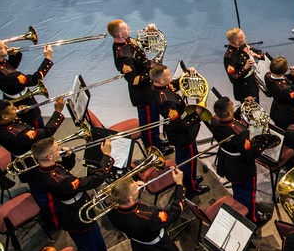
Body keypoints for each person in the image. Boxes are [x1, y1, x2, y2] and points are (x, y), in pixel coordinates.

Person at [30, 137, 126, 251]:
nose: (60, 149)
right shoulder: (60, 181)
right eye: (57, 149)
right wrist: (106, 156)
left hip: (69, 206)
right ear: (49, 157)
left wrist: (69, 157)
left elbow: (65, 170)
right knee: (94, 244)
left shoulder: (44, 168)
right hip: (76, 213)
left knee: (88, 244)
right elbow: (95, 180)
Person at [0, 96, 66, 221]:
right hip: (32, 165)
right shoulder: (19, 135)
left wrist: (21, 112)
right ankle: (54, 221)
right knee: (45, 195)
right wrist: (58, 112)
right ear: (5, 117)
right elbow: (47, 131)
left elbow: (15, 124)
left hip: (21, 158)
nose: (16, 109)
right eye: (13, 109)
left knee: (37, 190)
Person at [209, 96, 279, 223]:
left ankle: (238, 205)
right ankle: (252, 218)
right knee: (248, 192)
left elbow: (231, 120)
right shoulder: (240, 132)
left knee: (237, 188)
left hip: (226, 161)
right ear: (230, 112)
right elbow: (249, 155)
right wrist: (264, 142)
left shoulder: (214, 120)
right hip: (241, 167)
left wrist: (242, 107)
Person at [148, 64, 208, 197]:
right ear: (162, 80)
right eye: (168, 75)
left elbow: (174, 84)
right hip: (183, 135)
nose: (171, 76)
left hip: (178, 134)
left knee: (185, 159)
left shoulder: (159, 86)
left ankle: (190, 179)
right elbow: (179, 125)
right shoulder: (165, 101)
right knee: (188, 161)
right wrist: (197, 113)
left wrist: (188, 75)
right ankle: (191, 187)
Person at [108, 20, 164, 150]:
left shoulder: (128, 41)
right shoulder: (122, 56)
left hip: (148, 89)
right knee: (149, 125)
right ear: (120, 34)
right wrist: (151, 71)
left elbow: (143, 46)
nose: (129, 27)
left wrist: (151, 33)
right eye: (125, 28)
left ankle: (157, 142)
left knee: (154, 121)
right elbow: (133, 79)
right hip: (143, 94)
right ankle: (153, 150)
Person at [0, 37, 53, 128]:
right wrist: (48, 59)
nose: (7, 48)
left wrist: (13, 55)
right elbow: (35, 79)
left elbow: (9, 67)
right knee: (36, 122)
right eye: (4, 47)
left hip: (9, 95)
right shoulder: (9, 75)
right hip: (22, 100)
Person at [265, 57, 294, 129]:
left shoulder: (267, 76)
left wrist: (291, 75)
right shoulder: (286, 91)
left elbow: (282, 81)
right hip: (286, 116)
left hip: (276, 110)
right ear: (285, 70)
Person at [224, 27, 262, 103]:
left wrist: (256, 55)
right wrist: (245, 67)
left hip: (252, 84)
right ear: (237, 42)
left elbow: (257, 51)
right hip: (245, 91)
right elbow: (234, 79)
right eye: (243, 37)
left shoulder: (243, 45)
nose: (245, 37)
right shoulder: (229, 57)